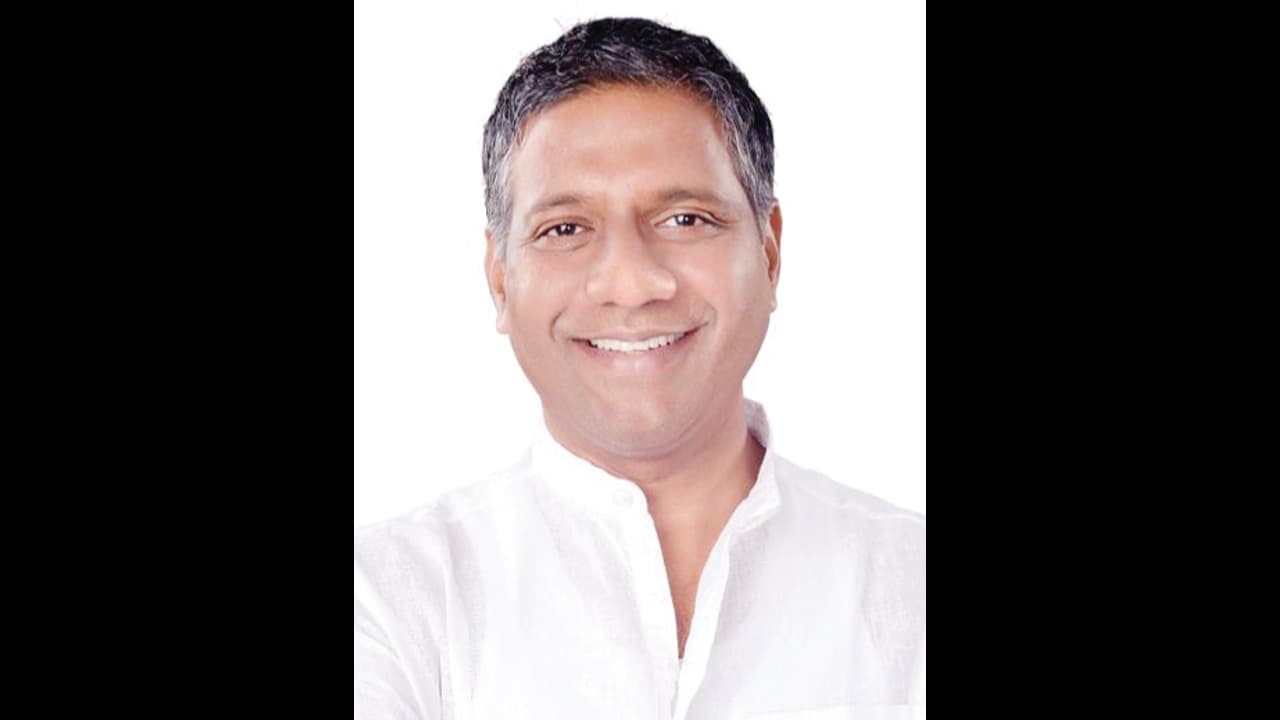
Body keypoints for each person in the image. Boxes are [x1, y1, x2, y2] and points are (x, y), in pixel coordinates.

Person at [355, 17, 924, 719]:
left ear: (770, 254)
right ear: (500, 281)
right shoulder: (385, 601)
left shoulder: (910, 586)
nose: (630, 283)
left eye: (685, 219)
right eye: (565, 229)